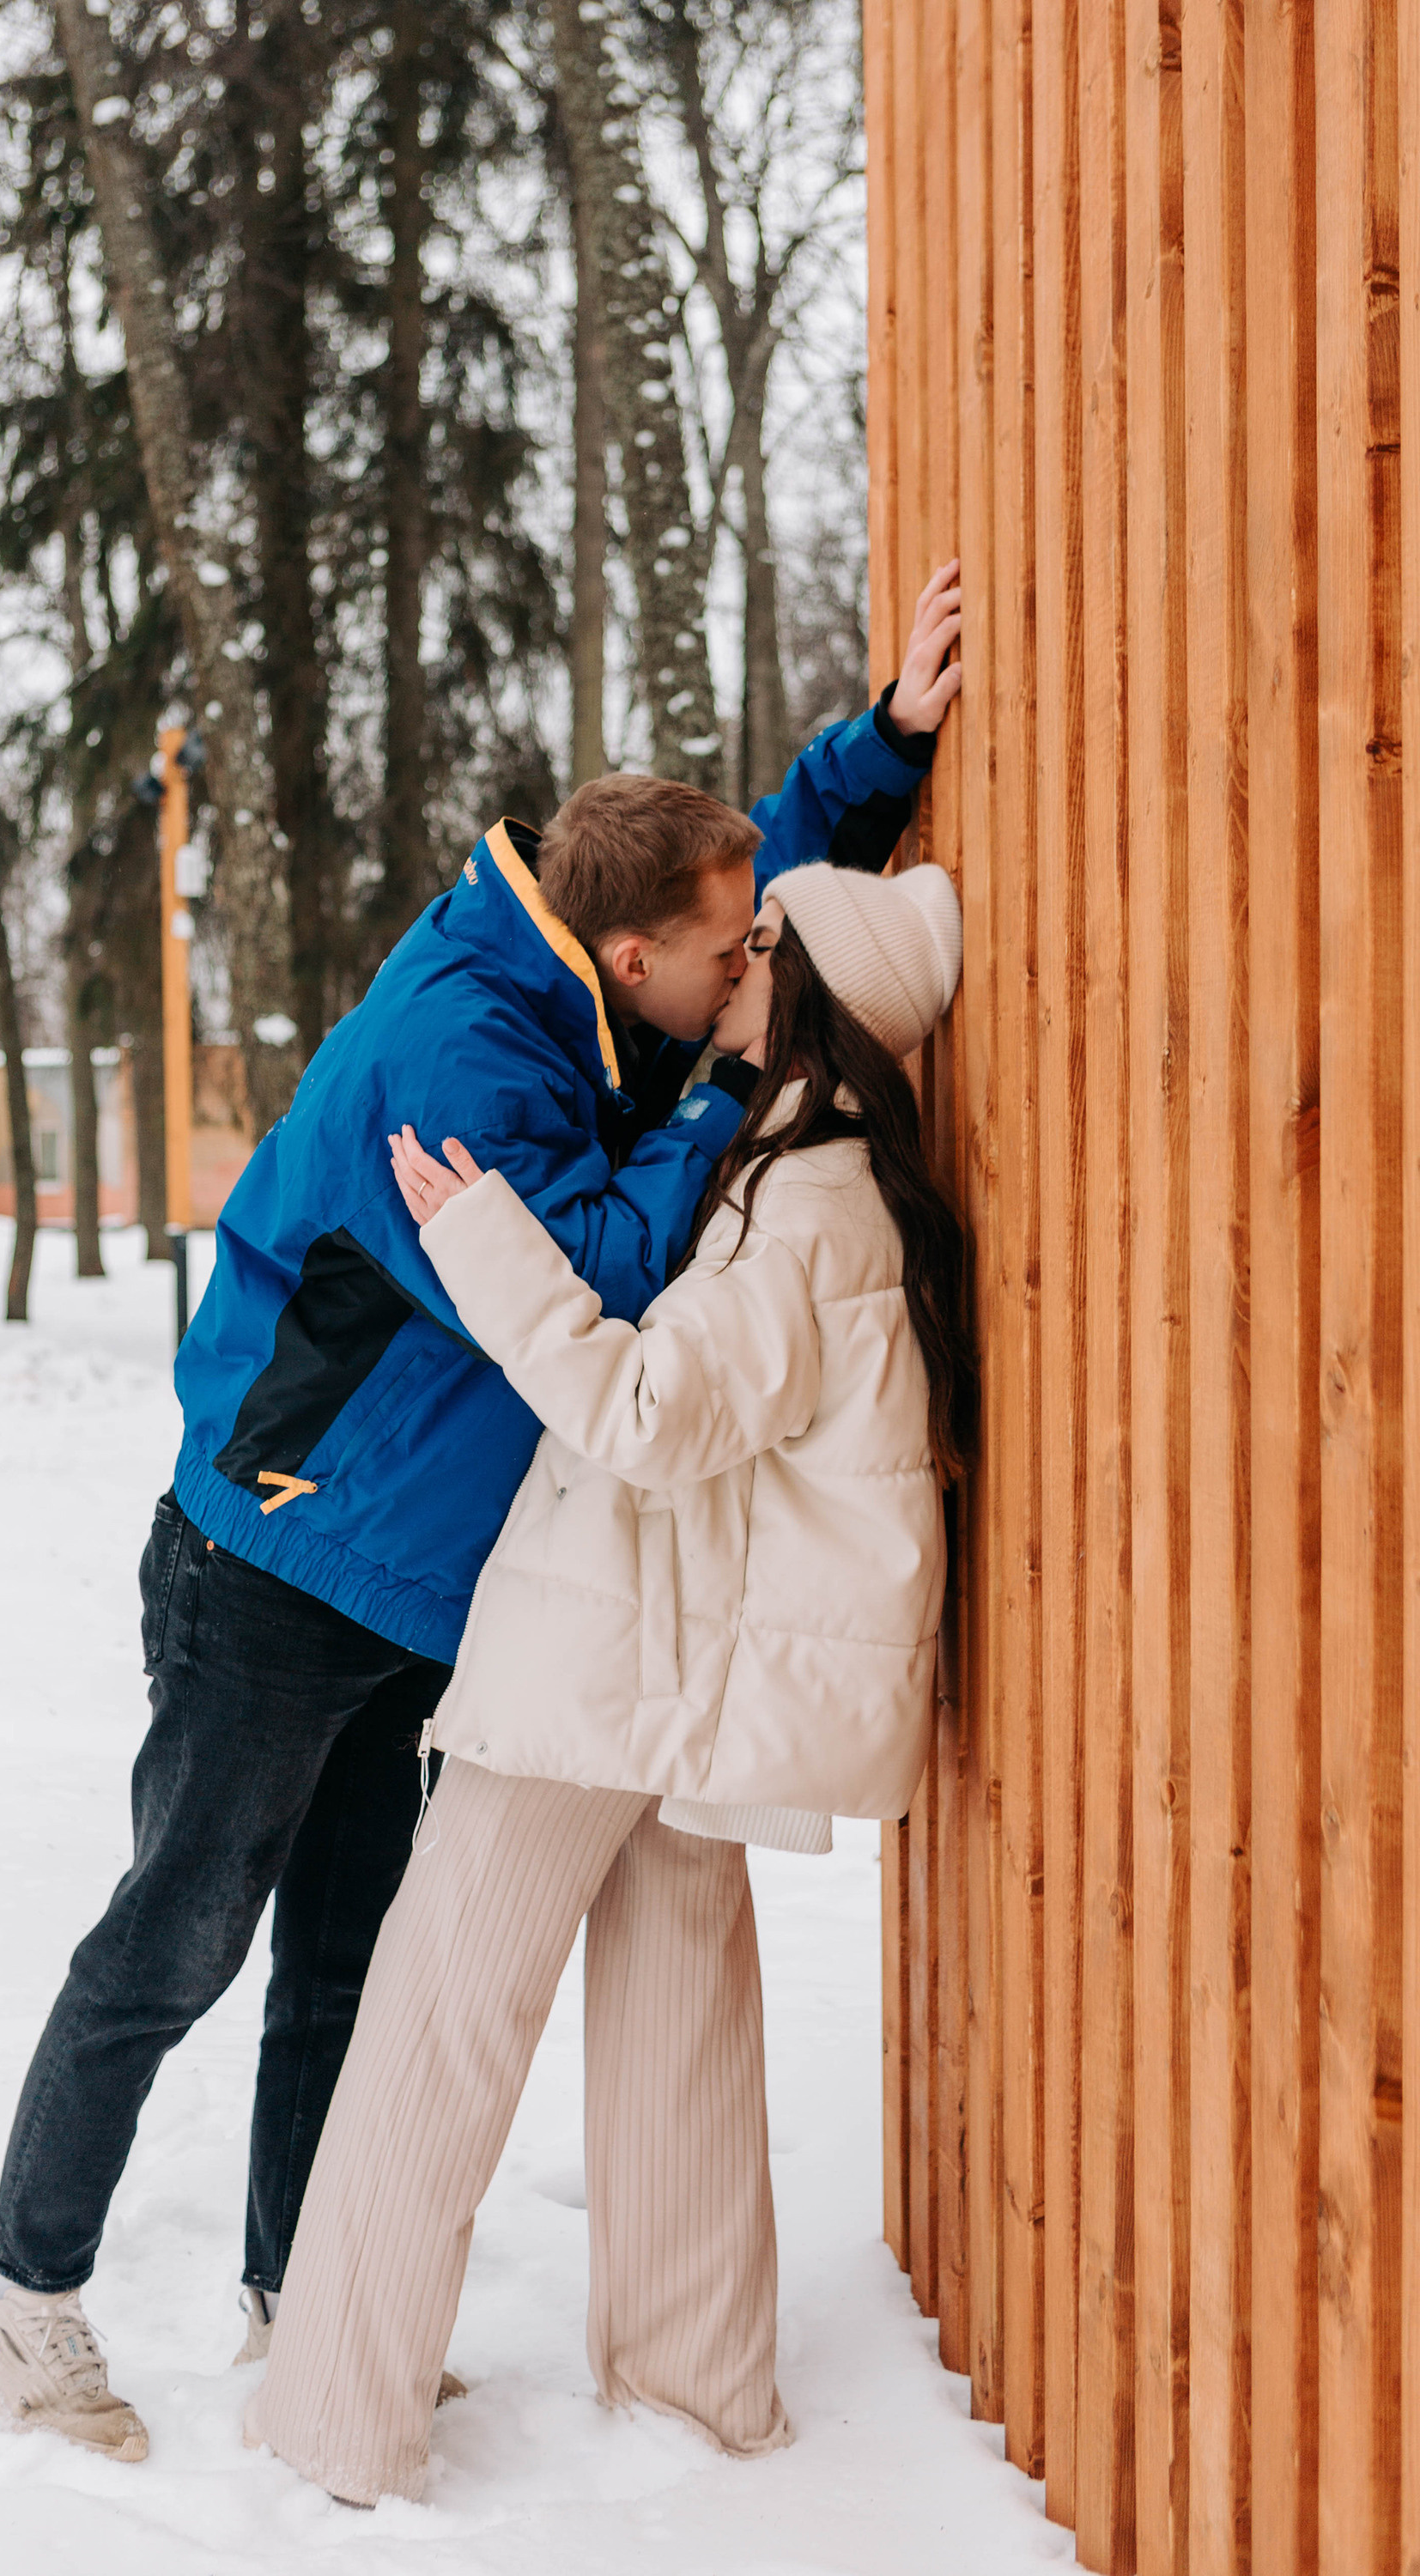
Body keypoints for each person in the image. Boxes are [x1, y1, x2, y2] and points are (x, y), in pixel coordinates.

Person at [0, 567, 964, 2464]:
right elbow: (593, 1268)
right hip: (275, 1555)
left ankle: (297, 2287)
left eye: (754, 960)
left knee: (341, 1961)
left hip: (409, 1578)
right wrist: (723, 1103)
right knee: (178, 1934)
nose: (749, 980)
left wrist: (877, 747)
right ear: (633, 958)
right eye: (725, 961)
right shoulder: (466, 1046)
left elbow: (753, 886)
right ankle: (14, 2297)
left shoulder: (600, 953)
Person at [245, 854, 979, 2507]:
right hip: (672, 1656)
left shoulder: (804, 1206)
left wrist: (491, 1243)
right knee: (677, 2014)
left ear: (819, 1002)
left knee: (440, 2014)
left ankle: (334, 2424)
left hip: (613, 1660)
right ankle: (692, 2384)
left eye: (764, 946)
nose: (733, 964)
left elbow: (644, 1415)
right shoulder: (802, 1169)